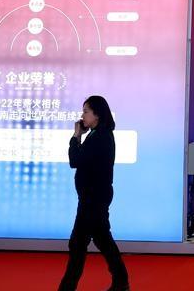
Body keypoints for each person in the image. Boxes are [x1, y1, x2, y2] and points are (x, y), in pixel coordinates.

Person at [59, 96, 129, 291]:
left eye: (86, 112)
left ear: (97, 115)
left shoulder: (100, 137)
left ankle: (67, 288)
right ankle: (121, 282)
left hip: (93, 199)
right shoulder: (98, 134)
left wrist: (76, 137)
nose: (82, 116)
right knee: (102, 239)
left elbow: (75, 160)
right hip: (94, 197)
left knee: (77, 244)